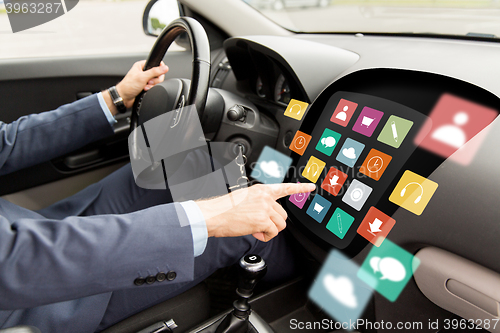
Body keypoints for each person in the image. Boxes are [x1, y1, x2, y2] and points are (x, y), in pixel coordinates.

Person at [0, 60, 315, 332]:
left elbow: (5, 143)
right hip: (33, 297)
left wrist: (116, 98)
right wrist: (211, 216)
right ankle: (325, 299)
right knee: (247, 229)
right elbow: (16, 261)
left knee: (196, 164)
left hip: (31, 230)